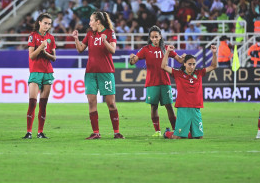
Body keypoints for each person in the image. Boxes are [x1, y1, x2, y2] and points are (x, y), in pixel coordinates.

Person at [72, 11, 124, 139]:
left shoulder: (109, 33)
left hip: (106, 73)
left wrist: (104, 41)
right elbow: (80, 49)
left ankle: (116, 132)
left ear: (98, 21)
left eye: (91, 20)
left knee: (111, 103)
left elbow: (112, 50)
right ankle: (96, 133)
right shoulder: (90, 33)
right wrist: (76, 39)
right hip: (90, 73)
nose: (89, 23)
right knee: (91, 101)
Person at [129, 25, 185, 137]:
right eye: (152, 37)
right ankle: (157, 131)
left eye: (156, 37)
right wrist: (131, 58)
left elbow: (179, 60)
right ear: (150, 38)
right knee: (153, 106)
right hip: (152, 83)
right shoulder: (145, 49)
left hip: (165, 82)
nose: (154, 39)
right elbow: (133, 62)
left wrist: (184, 58)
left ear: (160, 37)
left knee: (169, 106)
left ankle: (175, 130)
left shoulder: (166, 48)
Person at [161, 45, 218, 139]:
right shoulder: (178, 73)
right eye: (189, 64)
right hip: (183, 108)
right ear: (184, 64)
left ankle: (187, 133)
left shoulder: (199, 73)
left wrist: (214, 53)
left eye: (194, 64)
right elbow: (163, 66)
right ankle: (167, 133)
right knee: (178, 137)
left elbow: (214, 66)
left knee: (199, 137)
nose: (192, 66)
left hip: (196, 108)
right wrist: (167, 52)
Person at [23, 13, 56, 139]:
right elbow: (31, 56)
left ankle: (40, 132)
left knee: (43, 104)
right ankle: (29, 132)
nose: (47, 26)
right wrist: (41, 47)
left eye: (49, 24)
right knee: (32, 102)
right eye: (45, 23)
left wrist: (46, 53)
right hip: (35, 72)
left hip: (48, 72)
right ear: (39, 22)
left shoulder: (51, 38)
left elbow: (54, 57)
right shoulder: (33, 36)